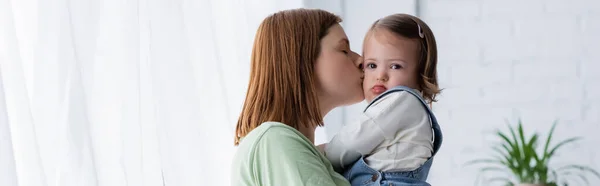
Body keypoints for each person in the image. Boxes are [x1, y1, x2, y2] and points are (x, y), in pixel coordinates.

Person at [230, 8, 364, 186]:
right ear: (303, 60)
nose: (361, 60)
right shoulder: (274, 140)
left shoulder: (284, 146)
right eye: (344, 50)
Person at [320, 13, 443, 186]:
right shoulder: (410, 110)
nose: (381, 75)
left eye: (395, 66)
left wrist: (317, 154)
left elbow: (352, 140)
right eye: (372, 65)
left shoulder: (401, 101)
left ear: (420, 75)